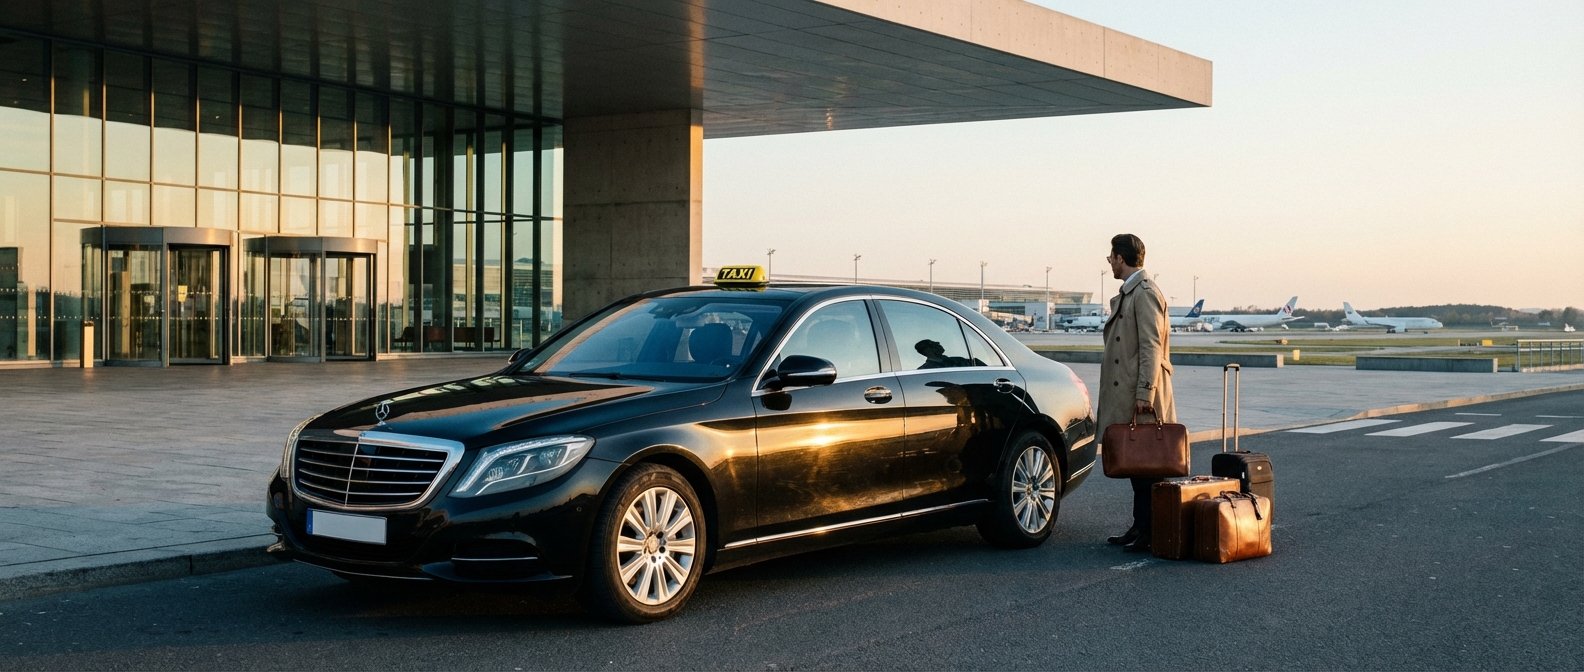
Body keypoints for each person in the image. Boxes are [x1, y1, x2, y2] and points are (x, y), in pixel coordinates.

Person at [1097, 233, 1176, 553]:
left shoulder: (1144, 293)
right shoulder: (1132, 293)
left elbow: (1151, 346)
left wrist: (1145, 392)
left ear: (1120, 258)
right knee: (1137, 463)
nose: (1109, 263)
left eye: (1110, 257)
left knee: (1148, 464)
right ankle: (1140, 526)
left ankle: (1150, 528)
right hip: (1133, 389)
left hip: (1142, 392)